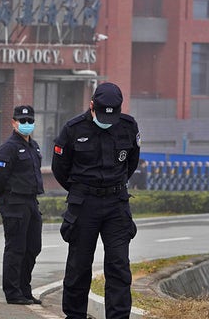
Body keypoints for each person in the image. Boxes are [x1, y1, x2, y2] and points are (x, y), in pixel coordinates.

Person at [51, 82, 141, 319]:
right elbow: (60, 169)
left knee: (119, 265)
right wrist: (82, 190)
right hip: (85, 204)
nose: (106, 120)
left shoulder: (128, 127)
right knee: (79, 266)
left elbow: (131, 162)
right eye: (101, 114)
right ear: (92, 106)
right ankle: (75, 315)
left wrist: (114, 185)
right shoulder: (73, 129)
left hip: (116, 204)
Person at [0, 105, 44, 305]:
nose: (27, 124)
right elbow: (0, 177)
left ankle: (25, 290)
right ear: (13, 122)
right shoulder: (8, 148)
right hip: (14, 202)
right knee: (16, 249)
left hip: (31, 201)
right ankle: (13, 293)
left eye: (30, 121)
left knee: (33, 247)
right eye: (23, 121)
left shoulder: (34, 146)